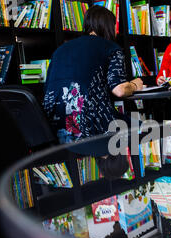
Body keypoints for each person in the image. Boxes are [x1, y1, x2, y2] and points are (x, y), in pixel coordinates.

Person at [43, 5, 143, 144]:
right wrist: (135, 85)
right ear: (108, 26)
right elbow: (119, 90)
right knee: (147, 130)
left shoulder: (60, 50)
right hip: (91, 125)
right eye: (115, 26)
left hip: (53, 128)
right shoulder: (111, 48)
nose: (116, 30)